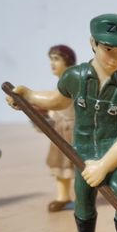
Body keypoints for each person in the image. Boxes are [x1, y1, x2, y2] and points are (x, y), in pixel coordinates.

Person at [6, 14, 117, 232]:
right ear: (93, 43)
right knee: (82, 197)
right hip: (81, 152)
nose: (115, 58)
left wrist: (103, 166)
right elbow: (58, 101)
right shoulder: (75, 76)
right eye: (109, 49)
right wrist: (29, 96)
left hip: (112, 154)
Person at [44, 45, 76, 212]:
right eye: (51, 59)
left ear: (67, 61)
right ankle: (63, 197)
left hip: (73, 131)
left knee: (77, 167)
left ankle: (83, 199)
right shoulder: (60, 84)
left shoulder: (72, 83)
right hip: (60, 131)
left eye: (56, 59)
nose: (52, 63)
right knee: (60, 166)